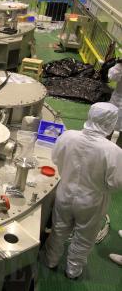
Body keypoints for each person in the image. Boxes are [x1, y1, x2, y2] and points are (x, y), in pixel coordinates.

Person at [44, 102, 122, 279]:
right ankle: (73, 271)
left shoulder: (68, 136)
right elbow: (117, 183)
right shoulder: (113, 151)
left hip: (64, 193)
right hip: (92, 200)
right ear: (111, 123)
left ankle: (51, 260)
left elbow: (55, 158)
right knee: (84, 237)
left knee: (58, 230)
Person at [108, 61, 122, 147]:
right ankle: (104, 148)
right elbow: (112, 77)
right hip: (118, 100)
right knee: (109, 125)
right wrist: (120, 66)